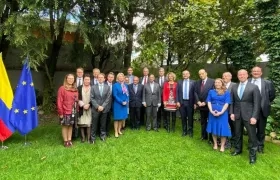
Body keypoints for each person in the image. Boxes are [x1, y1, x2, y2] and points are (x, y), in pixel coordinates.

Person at [230, 69, 261, 164]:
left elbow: (257, 103)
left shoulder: (254, 87)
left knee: (252, 137)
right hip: (237, 115)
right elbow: (232, 101)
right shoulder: (234, 87)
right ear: (238, 76)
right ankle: (238, 150)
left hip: (249, 116)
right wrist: (231, 113)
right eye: (240, 74)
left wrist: (254, 117)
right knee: (237, 134)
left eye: (243, 74)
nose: (241, 76)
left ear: (247, 75)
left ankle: (252, 156)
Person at [249, 66, 275, 153]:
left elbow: (271, 96)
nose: (256, 73)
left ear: (261, 73)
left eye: (257, 71)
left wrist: (265, 103)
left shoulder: (267, 83)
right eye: (254, 71)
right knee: (251, 128)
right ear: (251, 73)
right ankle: (252, 144)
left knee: (261, 129)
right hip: (250, 110)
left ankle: (260, 146)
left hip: (262, 109)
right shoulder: (247, 81)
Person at [206, 78, 231, 152]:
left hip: (223, 113)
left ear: (222, 83)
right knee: (214, 128)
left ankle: (222, 146)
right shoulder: (211, 91)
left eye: (219, 82)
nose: (217, 84)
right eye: (216, 82)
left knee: (223, 129)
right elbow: (209, 102)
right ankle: (215, 144)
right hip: (212, 112)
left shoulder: (226, 92)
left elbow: (227, 103)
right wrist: (211, 111)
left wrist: (221, 112)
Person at [57, 74, 78, 147]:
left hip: (73, 111)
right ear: (66, 79)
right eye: (69, 78)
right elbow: (59, 101)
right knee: (65, 126)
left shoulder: (75, 89)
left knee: (70, 126)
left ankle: (69, 140)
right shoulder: (62, 88)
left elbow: (76, 100)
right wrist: (61, 112)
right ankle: (65, 141)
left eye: (72, 78)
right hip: (65, 111)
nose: (71, 80)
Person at [90, 73, 112, 143]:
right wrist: (97, 106)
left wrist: (102, 106)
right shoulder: (93, 87)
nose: (100, 78)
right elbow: (92, 98)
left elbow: (108, 98)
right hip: (95, 109)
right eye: (99, 77)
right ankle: (92, 138)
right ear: (97, 79)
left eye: (102, 77)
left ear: (104, 79)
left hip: (104, 109)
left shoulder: (107, 87)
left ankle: (102, 136)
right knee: (94, 124)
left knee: (103, 124)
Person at [194, 69, 214, 142]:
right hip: (201, 105)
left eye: (202, 73)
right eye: (200, 74)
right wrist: (198, 101)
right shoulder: (197, 82)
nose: (201, 75)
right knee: (203, 121)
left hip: (209, 106)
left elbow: (213, 93)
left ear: (206, 73)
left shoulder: (212, 82)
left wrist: (205, 102)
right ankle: (203, 136)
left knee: (211, 121)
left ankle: (211, 138)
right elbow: (195, 92)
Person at [176, 70, 195, 137]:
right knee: (183, 117)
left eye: (186, 74)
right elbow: (177, 92)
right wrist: (177, 101)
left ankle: (190, 131)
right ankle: (184, 131)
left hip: (190, 103)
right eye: (183, 74)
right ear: (182, 75)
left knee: (190, 118)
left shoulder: (193, 82)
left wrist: (195, 103)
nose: (185, 75)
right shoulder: (179, 82)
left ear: (189, 74)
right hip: (182, 102)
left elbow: (195, 93)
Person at [112, 73, 129, 138]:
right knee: (117, 119)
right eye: (120, 77)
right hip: (117, 104)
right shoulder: (115, 85)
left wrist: (126, 100)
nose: (121, 78)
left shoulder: (125, 85)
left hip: (124, 104)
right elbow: (115, 95)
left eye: (122, 77)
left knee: (121, 118)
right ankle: (116, 131)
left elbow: (127, 94)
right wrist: (121, 102)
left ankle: (119, 130)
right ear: (118, 78)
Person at [222, 72, 236, 148]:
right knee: (224, 126)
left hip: (231, 109)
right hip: (222, 110)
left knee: (233, 126)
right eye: (223, 76)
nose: (224, 77)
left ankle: (233, 141)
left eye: (226, 76)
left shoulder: (235, 85)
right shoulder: (221, 85)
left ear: (230, 77)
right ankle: (225, 141)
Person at [77, 74, 91, 143]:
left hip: (90, 107)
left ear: (90, 80)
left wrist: (88, 104)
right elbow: (77, 98)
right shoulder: (79, 88)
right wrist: (83, 105)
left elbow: (94, 97)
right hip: (81, 107)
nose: (87, 81)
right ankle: (83, 138)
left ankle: (88, 138)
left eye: (88, 79)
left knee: (89, 122)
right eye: (85, 79)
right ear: (83, 80)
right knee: (81, 122)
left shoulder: (92, 87)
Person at [104, 72, 115, 137]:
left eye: (112, 77)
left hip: (112, 104)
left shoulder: (114, 85)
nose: (110, 78)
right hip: (104, 104)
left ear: (113, 78)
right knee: (103, 119)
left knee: (109, 119)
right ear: (107, 77)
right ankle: (102, 131)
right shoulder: (104, 84)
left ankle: (107, 132)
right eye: (109, 77)